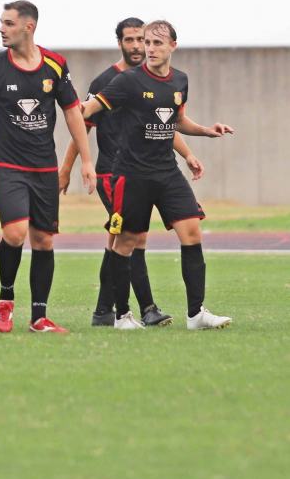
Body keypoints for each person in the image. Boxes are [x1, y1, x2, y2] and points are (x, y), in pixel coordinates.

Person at [81, 20, 233, 330]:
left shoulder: (180, 80)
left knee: (192, 232)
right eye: (147, 43)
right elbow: (87, 109)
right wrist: (62, 103)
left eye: (157, 43)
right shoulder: (127, 82)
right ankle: (122, 316)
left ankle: (196, 314)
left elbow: (176, 120)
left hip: (167, 172)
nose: (149, 48)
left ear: (173, 46)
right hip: (131, 174)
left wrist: (204, 132)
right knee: (126, 242)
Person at [0, 0, 96, 334]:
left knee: (44, 241)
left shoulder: (55, 64)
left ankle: (39, 317)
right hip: (6, 163)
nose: (1, 28)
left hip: (44, 167)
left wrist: (87, 161)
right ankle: (5, 300)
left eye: (8, 23)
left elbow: (72, 113)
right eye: (1, 22)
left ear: (28, 26)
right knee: (15, 232)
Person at [59, 17, 203, 327]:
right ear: (120, 43)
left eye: (146, 40)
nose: (140, 46)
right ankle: (140, 308)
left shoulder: (173, 81)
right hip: (115, 173)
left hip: (157, 170)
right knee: (130, 240)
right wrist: (71, 166)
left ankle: (105, 311)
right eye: (133, 40)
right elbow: (81, 122)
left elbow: (166, 124)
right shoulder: (112, 81)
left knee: (122, 241)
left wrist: (189, 152)